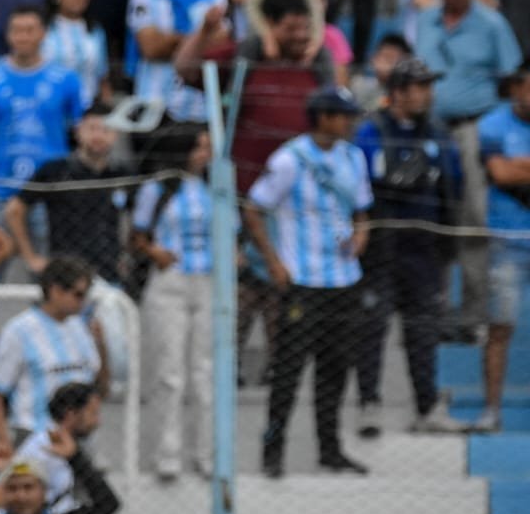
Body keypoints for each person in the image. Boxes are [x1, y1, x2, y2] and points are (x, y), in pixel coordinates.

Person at [243, 86, 372, 478]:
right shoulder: (289, 159)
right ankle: (273, 450)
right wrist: (273, 262)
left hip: (344, 278)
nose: (350, 122)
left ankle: (330, 450)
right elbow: (254, 208)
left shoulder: (353, 157)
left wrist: (361, 235)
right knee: (289, 370)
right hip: (303, 279)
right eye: (343, 115)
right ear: (323, 117)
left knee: (335, 369)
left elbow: (362, 210)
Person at [353, 58, 466, 436]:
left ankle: (427, 407)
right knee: (372, 326)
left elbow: (454, 185)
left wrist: (447, 241)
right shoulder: (370, 131)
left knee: (423, 329)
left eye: (429, 86)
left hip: (424, 247)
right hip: (381, 245)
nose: (427, 94)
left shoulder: (439, 134)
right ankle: (369, 404)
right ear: (398, 92)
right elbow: (356, 185)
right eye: (420, 86)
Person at [417, 0, 522, 339]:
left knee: (473, 218)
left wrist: (498, 133)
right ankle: (433, 309)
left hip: (473, 128)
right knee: (430, 216)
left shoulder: (492, 24)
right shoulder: (426, 21)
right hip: (429, 130)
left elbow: (512, 78)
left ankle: (473, 314)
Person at [175, 0, 335, 192]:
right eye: (291, 29)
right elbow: (186, 70)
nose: (301, 36)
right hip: (245, 184)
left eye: (306, 28)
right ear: (269, 24)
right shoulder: (244, 56)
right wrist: (205, 30)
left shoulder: (318, 64)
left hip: (302, 189)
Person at [132, 124, 218, 478]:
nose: (205, 154)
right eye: (199, 147)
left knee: (204, 371)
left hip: (208, 280)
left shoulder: (216, 186)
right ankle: (166, 454)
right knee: (170, 372)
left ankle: (206, 453)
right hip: (171, 279)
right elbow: (138, 234)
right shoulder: (158, 187)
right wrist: (155, 252)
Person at [0, 256, 107, 456]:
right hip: (36, 437)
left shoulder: (83, 328)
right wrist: (4, 441)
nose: (83, 302)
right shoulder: (19, 331)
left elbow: (100, 386)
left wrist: (102, 345)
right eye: (78, 295)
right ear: (55, 290)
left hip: (80, 440)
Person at [0, 6, 83, 208]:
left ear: (43, 33)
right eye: (17, 30)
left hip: (52, 192)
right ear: (7, 34)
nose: (23, 37)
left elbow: (82, 132)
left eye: (29, 30)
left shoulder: (67, 79)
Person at [4, 102, 126, 283]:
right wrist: (31, 257)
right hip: (65, 276)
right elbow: (14, 210)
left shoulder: (122, 174)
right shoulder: (56, 171)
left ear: (116, 134)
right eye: (92, 128)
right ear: (78, 131)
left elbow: (133, 218)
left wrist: (125, 255)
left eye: (106, 130)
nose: (98, 136)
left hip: (109, 273)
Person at [474, 65, 530, 433]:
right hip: (507, 241)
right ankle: (491, 410)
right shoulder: (492, 125)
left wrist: (519, 166)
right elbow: (501, 174)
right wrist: (512, 170)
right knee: (500, 327)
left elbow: (513, 172)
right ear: (516, 88)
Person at [127, 0, 226, 123]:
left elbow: (220, 46)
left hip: (200, 105)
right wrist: (199, 40)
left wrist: (170, 41)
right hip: (154, 101)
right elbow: (150, 47)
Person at [10, 381, 104, 514]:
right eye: (93, 413)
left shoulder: (77, 447)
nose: (98, 422)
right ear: (71, 414)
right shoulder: (40, 450)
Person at [42, 0, 113, 108]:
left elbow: (102, 78)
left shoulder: (95, 31)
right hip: (49, 110)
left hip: (88, 110)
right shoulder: (42, 29)